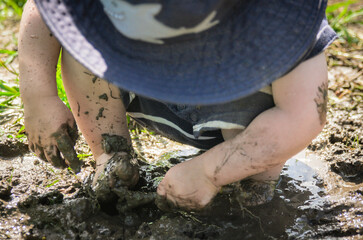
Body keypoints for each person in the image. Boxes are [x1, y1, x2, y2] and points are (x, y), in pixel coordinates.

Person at [19, 0, 336, 210]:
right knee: (82, 51)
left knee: (248, 184)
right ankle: (111, 154)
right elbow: (45, 8)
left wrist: (210, 173)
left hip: (240, 109)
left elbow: (303, 115)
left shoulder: (280, 26)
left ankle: (251, 186)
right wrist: (38, 96)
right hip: (137, 77)